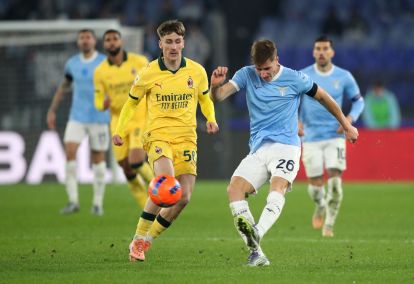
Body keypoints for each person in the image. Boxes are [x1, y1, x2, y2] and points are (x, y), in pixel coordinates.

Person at [209, 39, 358, 266]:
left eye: (267, 69)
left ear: (276, 60)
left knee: (277, 187)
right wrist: (214, 86)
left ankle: (256, 232)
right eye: (259, 69)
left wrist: (346, 125)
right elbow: (218, 97)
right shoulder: (246, 75)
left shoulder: (295, 78)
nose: (263, 74)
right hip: (259, 148)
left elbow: (324, 97)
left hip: (287, 147)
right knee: (234, 189)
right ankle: (257, 253)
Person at [112, 20, 219, 262]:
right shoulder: (149, 72)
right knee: (165, 185)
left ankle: (147, 241)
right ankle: (138, 240)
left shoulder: (197, 71)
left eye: (177, 41)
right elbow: (131, 103)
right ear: (160, 44)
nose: (173, 46)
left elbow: (205, 99)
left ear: (184, 43)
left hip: (187, 138)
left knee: (183, 197)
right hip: (158, 135)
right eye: (168, 41)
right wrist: (120, 130)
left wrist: (211, 118)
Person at [299, 36, 365, 237]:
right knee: (316, 185)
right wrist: (295, 121)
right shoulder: (303, 76)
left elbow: (359, 101)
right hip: (310, 136)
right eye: (318, 48)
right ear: (313, 52)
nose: (321, 52)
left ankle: (329, 225)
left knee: (335, 182)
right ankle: (320, 206)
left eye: (325, 48)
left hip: (334, 135)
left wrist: (350, 119)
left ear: (332, 52)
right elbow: (290, 101)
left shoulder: (344, 76)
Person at [46, 29, 109, 216]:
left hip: (99, 117)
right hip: (77, 117)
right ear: (78, 42)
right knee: (70, 152)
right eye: (81, 38)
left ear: (94, 41)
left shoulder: (104, 62)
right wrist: (52, 110)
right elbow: (63, 87)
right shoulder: (72, 64)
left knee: (97, 158)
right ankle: (73, 201)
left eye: (87, 37)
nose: (84, 40)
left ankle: (97, 203)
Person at [94, 29, 154, 209]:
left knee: (136, 161)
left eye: (115, 39)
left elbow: (153, 84)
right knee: (126, 168)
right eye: (108, 40)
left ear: (121, 42)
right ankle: (146, 205)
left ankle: (163, 193)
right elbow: (97, 99)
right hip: (117, 122)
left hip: (140, 118)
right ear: (104, 44)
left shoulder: (140, 62)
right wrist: (101, 104)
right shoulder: (100, 71)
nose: (112, 42)